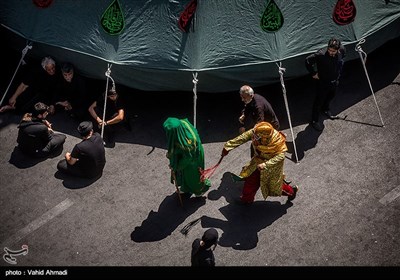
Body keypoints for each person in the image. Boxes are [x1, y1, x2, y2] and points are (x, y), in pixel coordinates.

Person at [221, 121, 298, 204]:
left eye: (256, 137)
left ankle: (292, 191)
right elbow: (244, 137)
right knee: (251, 181)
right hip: (257, 163)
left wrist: (265, 164)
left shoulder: (277, 142)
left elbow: (280, 157)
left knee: (274, 188)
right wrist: (228, 146)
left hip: (270, 169)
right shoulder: (257, 132)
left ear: (265, 138)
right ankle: (247, 200)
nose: (253, 137)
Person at [305, 37, 346, 131]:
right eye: (330, 50)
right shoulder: (321, 55)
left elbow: (343, 57)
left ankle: (326, 109)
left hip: (334, 81)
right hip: (323, 82)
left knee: (331, 95)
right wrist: (313, 73)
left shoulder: (342, 50)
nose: (331, 52)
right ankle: (314, 120)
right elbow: (307, 61)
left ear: (338, 49)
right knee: (318, 101)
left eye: (333, 51)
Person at [163, 117, 211, 197]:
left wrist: (177, 166)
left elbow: (188, 158)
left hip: (193, 161)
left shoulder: (186, 144)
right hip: (189, 156)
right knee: (184, 175)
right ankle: (186, 188)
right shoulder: (182, 124)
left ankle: (199, 191)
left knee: (193, 178)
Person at [238, 85, 280, 157]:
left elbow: (260, 124)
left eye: (244, 97)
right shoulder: (253, 98)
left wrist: (246, 131)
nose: (242, 99)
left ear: (250, 95)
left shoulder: (258, 106)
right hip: (264, 124)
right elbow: (248, 106)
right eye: (241, 97)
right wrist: (244, 114)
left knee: (257, 145)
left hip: (270, 127)